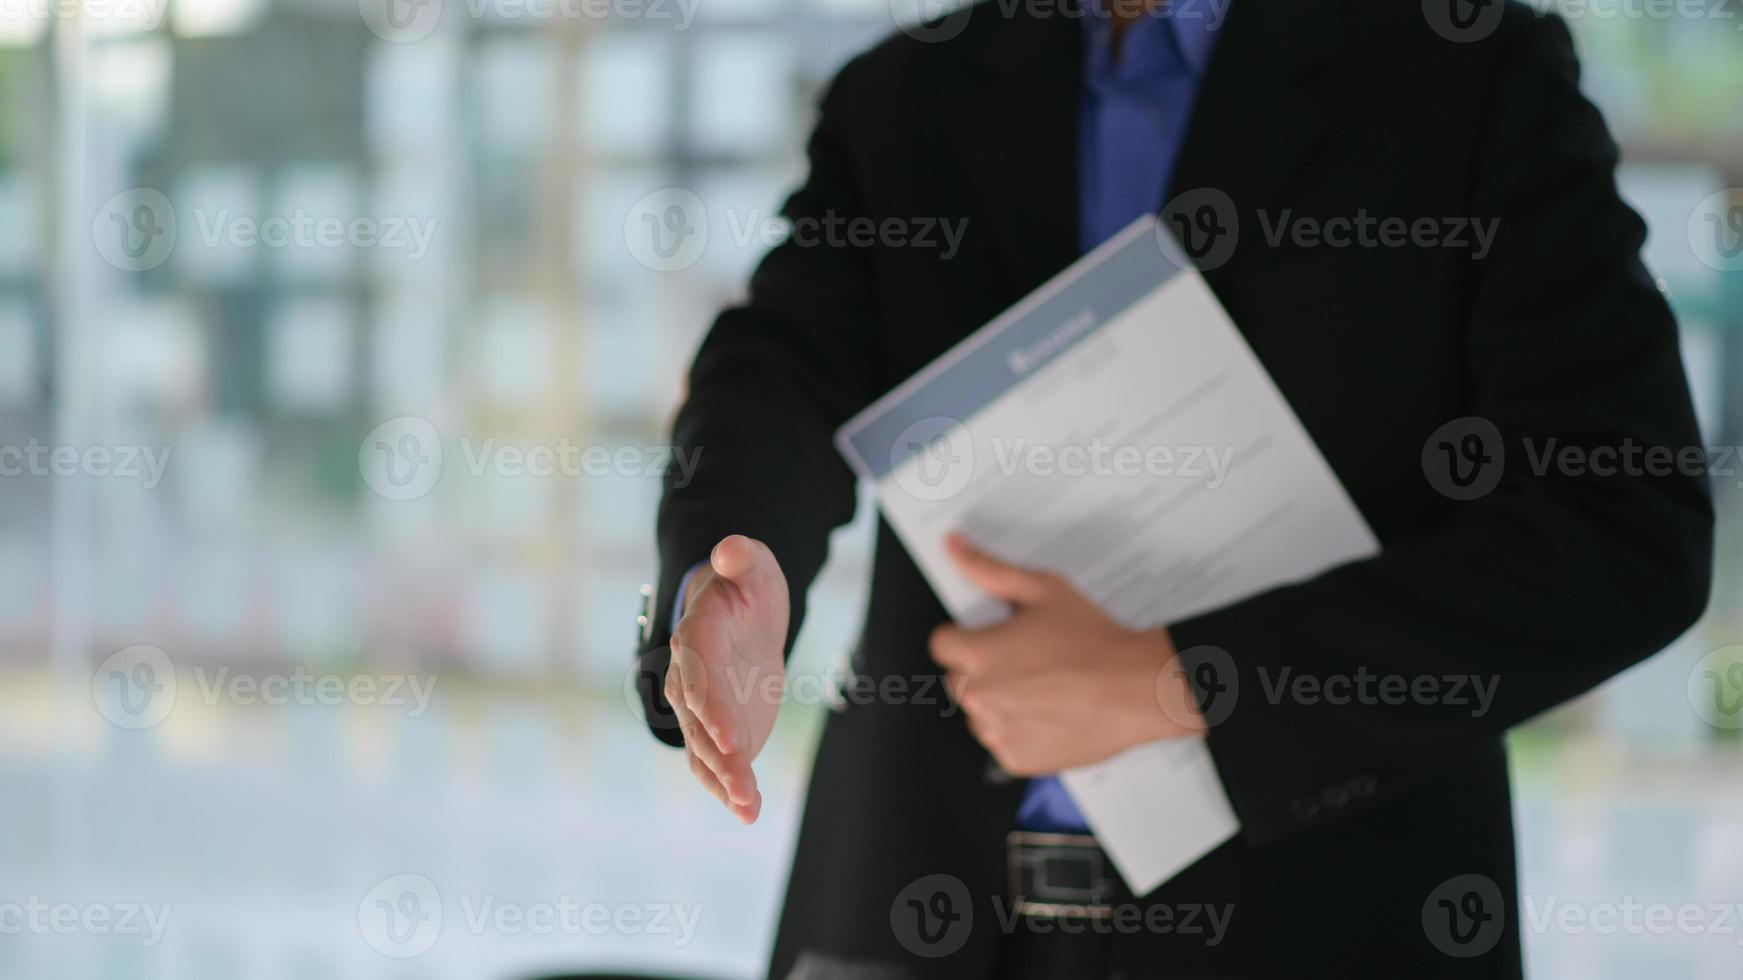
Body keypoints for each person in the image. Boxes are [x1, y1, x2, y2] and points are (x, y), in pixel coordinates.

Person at [631, 0, 1714, 976]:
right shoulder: (904, 92)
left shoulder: (1469, 74)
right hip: (915, 907)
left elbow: (1626, 529)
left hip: (1324, 921)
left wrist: (1193, 680)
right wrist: (731, 567)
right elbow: (773, 367)